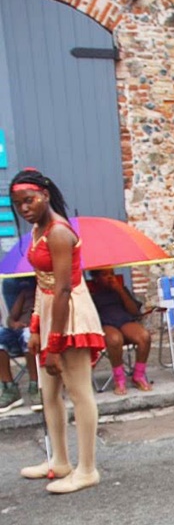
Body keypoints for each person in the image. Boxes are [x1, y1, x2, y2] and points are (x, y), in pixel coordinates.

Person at [9, 168, 104, 493]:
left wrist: (55, 344)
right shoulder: (39, 230)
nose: (24, 208)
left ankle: (87, 469)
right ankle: (60, 460)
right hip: (51, 313)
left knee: (78, 392)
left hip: (70, 317)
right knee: (48, 393)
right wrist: (36, 327)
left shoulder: (59, 233)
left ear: (45, 195)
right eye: (18, 204)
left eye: (29, 200)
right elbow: (43, 284)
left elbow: (63, 289)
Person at [89, 268, 153, 395]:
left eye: (112, 274)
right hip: (105, 322)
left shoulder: (121, 289)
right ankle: (119, 379)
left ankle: (138, 375)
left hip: (124, 320)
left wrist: (120, 290)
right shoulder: (91, 293)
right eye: (104, 274)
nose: (109, 277)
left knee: (144, 337)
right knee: (115, 339)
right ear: (96, 278)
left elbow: (134, 311)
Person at [0, 277, 40, 411]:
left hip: (37, 332)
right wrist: (14, 323)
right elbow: (11, 318)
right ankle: (9, 388)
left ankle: (36, 385)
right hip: (18, 329)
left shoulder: (45, 292)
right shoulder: (25, 293)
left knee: (28, 335)